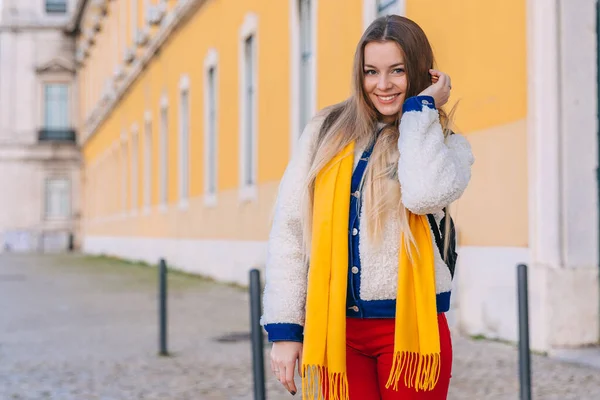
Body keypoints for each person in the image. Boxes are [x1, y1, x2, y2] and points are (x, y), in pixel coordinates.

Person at [261, 14, 474, 400]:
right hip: (335, 329)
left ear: (420, 70)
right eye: (371, 72)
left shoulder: (444, 145)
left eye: (397, 70)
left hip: (411, 331)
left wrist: (421, 110)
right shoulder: (325, 131)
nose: (383, 84)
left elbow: (424, 194)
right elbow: (290, 227)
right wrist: (285, 328)